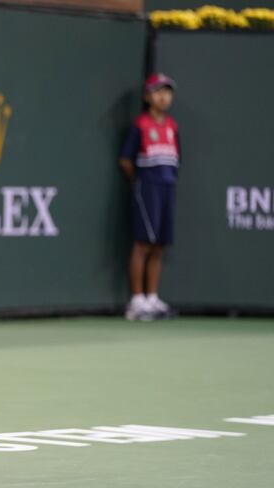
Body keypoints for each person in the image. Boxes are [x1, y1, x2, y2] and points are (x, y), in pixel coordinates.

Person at [118, 73, 180, 321]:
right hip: (147, 188)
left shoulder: (173, 127)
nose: (163, 96)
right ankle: (137, 301)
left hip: (168, 188)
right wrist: (140, 181)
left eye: (167, 91)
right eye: (157, 91)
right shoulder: (140, 125)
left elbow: (178, 159)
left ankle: (152, 298)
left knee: (159, 245)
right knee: (142, 243)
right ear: (147, 97)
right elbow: (125, 160)